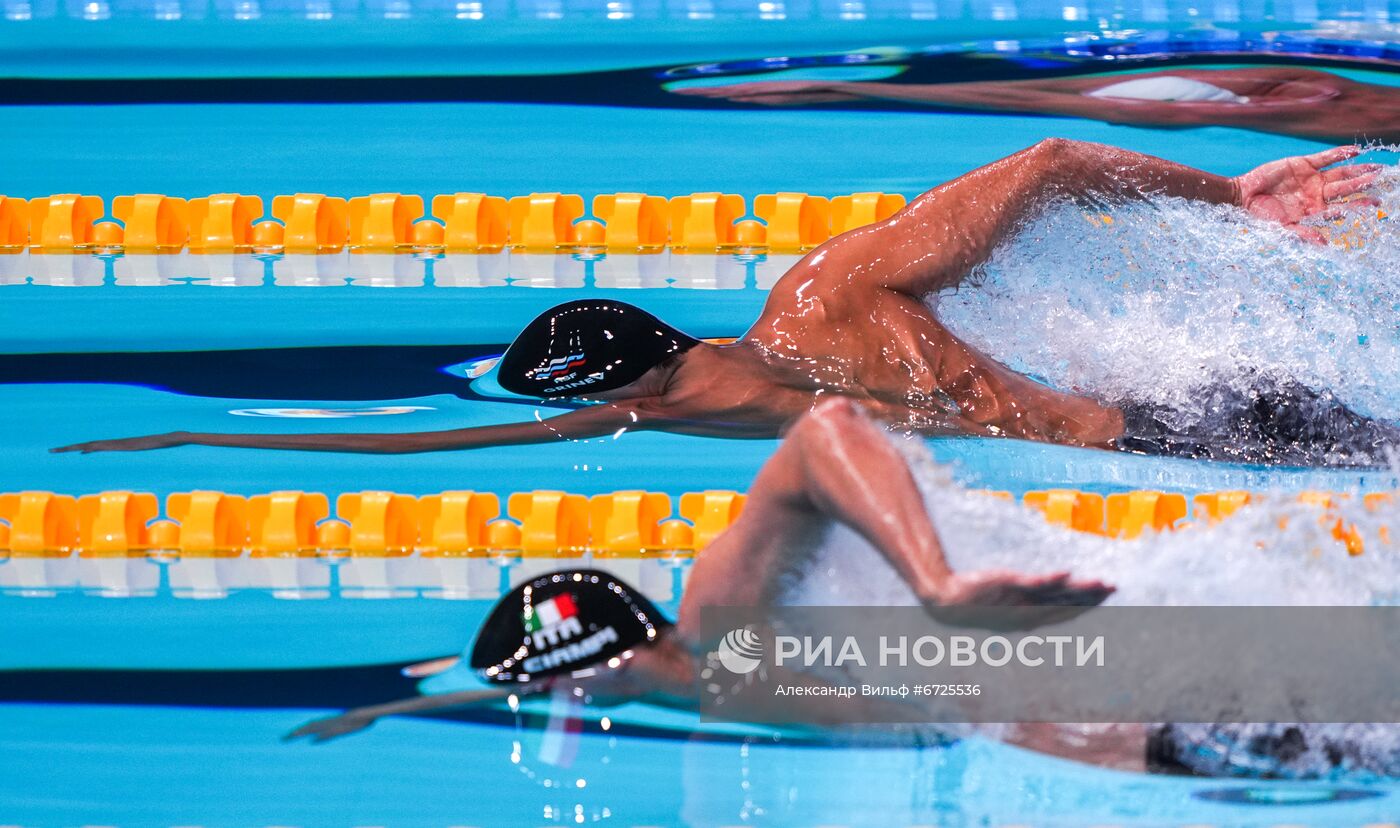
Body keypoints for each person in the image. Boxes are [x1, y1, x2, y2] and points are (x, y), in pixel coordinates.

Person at [56, 139, 1392, 466]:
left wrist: (1232, 201)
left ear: (629, 381)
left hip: (1192, 416)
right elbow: (431, 442)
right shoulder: (663, 408)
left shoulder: (826, 299)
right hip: (1172, 437)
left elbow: (1042, 166)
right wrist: (201, 437)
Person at [284, 400, 1400, 779]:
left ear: (610, 662)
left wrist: (937, 583)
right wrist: (391, 706)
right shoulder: (689, 683)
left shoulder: (721, 629)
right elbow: (514, 683)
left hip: (1184, 697)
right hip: (1170, 732)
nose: (564, 711)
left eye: (558, 691)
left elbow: (823, 435)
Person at [673, 67, 1400, 143]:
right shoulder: (1379, 117)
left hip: (1177, 92)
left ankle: (832, 88)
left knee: (984, 96)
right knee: (990, 99)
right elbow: (1237, 113)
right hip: (1170, 104)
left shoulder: (1363, 94)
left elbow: (1261, 87)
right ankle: (830, 90)